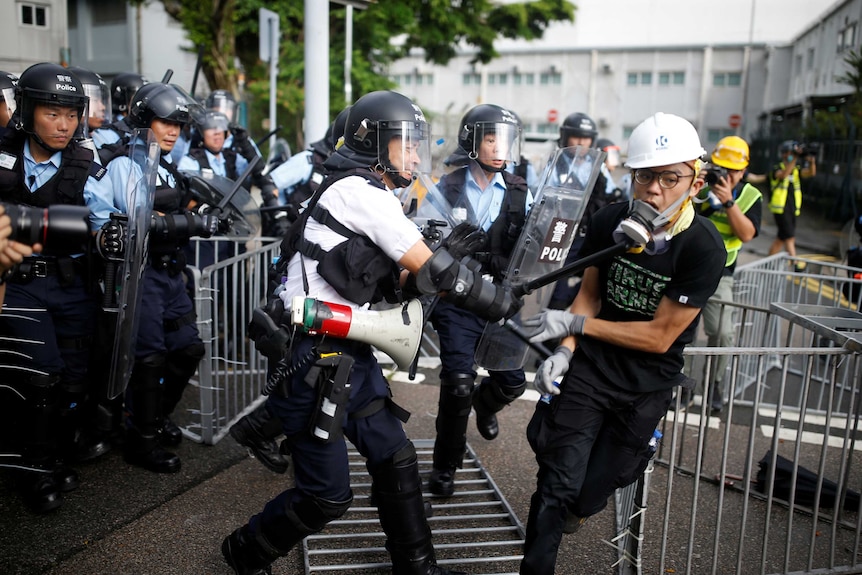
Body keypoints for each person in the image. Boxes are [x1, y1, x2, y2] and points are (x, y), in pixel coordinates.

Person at [221, 90, 521, 575]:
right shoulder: (358, 192)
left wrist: (449, 263)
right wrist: (492, 297)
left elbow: (402, 280)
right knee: (327, 497)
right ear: (374, 144)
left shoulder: (370, 193)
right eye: (406, 144)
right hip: (312, 359)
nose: (416, 155)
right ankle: (245, 550)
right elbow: (433, 272)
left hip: (348, 352)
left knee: (395, 455)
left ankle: (418, 567)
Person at [518, 112, 726, 574]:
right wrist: (565, 351)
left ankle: (578, 507)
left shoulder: (703, 246)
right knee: (556, 483)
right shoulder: (611, 219)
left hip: (645, 384)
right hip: (591, 371)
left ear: (695, 182)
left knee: (593, 489)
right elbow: (590, 294)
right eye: (645, 176)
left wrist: (574, 327)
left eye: (670, 178)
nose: (654, 189)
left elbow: (659, 337)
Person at [0, 62, 116, 512]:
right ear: (27, 111)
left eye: (71, 114)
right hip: (17, 284)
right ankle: (37, 469)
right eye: (52, 113)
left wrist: (112, 233)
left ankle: (55, 453)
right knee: (39, 377)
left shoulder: (90, 164)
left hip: (72, 287)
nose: (64, 124)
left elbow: (107, 221)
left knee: (72, 380)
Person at [103, 81, 218, 474]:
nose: (172, 131)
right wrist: (191, 221)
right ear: (142, 119)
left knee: (188, 349)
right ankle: (142, 440)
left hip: (170, 273)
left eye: (178, 125)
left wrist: (201, 211)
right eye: (164, 122)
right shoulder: (125, 164)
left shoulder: (164, 166)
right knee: (149, 358)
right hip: (142, 274)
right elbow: (140, 221)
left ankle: (152, 418)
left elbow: (175, 208)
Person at [425, 103, 532, 497]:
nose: (499, 148)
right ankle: (445, 467)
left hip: (501, 297)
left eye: (504, 139)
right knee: (456, 385)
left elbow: (536, 247)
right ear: (472, 141)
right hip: (457, 301)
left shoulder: (522, 191)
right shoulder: (445, 187)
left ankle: (486, 405)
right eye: (490, 139)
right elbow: (423, 240)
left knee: (513, 380)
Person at [681, 135, 762, 413]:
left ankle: (714, 383)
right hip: (688, 267)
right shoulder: (699, 187)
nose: (725, 176)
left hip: (721, 273)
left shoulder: (750, 195)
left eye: (732, 170)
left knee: (723, 333)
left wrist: (729, 203)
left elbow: (747, 234)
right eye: (720, 168)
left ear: (743, 171)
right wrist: (695, 185)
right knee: (684, 328)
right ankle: (684, 385)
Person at [546, 112, 617, 310]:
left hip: (589, 233)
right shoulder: (555, 163)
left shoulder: (598, 166)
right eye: (576, 137)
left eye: (585, 138)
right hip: (561, 231)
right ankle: (552, 324)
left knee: (601, 277)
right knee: (556, 284)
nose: (581, 142)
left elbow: (611, 195)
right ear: (565, 137)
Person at [768, 139, 817, 268]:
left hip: (792, 208)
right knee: (789, 236)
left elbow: (811, 173)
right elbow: (784, 175)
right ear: (784, 154)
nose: (791, 154)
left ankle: (768, 262)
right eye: (789, 152)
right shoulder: (777, 168)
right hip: (780, 209)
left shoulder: (796, 170)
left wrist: (811, 162)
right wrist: (794, 158)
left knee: (781, 238)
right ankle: (795, 263)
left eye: (792, 152)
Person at [92, 72, 147, 150]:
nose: (143, 103)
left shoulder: (147, 129)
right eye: (138, 97)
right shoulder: (105, 133)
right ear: (122, 99)